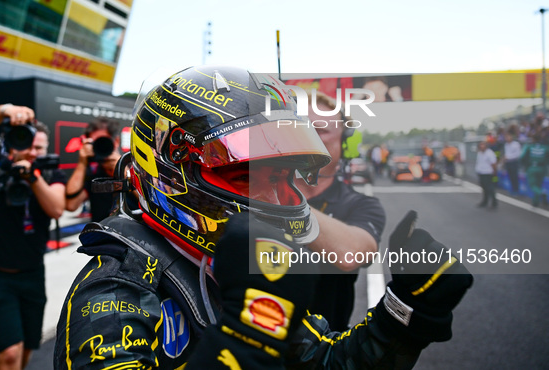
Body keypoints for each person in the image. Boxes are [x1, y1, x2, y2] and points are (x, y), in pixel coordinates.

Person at [54, 65, 472, 369]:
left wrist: (407, 315)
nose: (276, 196)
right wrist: (241, 345)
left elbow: (328, 360)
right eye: (247, 175)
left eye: (280, 177)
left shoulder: (227, 268)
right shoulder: (115, 290)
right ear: (174, 168)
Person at [0, 103, 65, 370]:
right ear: (12, 143)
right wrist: (1, 111)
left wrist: (32, 177)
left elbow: (56, 208)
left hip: (31, 273)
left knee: (27, 350)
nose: (32, 152)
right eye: (27, 144)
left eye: (39, 148)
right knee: (9, 354)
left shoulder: (49, 173)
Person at [297, 91, 384, 331]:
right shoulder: (252, 189)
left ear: (345, 142)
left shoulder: (361, 204)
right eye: (300, 126)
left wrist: (275, 198)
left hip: (324, 351)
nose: (307, 135)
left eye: (321, 130)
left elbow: (353, 254)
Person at [65, 117, 122, 222]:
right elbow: (71, 205)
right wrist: (82, 162)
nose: (101, 146)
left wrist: (123, 171)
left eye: (104, 141)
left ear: (116, 141)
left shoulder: (131, 166)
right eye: (96, 143)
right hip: (101, 234)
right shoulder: (94, 172)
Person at [520, 132, 549, 207]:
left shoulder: (529, 146)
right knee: (538, 185)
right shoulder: (545, 147)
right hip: (542, 168)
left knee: (533, 185)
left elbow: (521, 156)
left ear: (533, 139)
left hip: (532, 168)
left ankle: (542, 193)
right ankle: (535, 202)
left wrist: (525, 165)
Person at [475, 141, 498, 209]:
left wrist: (494, 172)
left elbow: (493, 163)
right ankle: (485, 201)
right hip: (481, 172)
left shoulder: (489, 153)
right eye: (480, 145)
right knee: (484, 188)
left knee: (490, 188)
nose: (481, 147)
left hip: (488, 173)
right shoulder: (479, 153)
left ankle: (494, 203)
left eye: (483, 145)